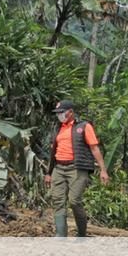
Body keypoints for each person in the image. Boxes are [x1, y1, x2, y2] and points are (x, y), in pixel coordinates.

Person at [44, 100, 110, 237]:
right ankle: (60, 235)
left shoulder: (84, 126)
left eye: (62, 112)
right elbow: (52, 152)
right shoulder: (58, 128)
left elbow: (94, 148)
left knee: (74, 201)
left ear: (71, 112)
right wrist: (49, 172)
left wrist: (103, 170)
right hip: (59, 168)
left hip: (77, 168)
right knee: (57, 201)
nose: (59, 115)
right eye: (58, 113)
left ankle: (81, 234)